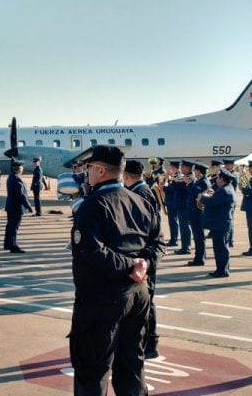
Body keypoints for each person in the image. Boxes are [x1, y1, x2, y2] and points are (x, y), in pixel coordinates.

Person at [69, 145, 153, 395]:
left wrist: (130, 265)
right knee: (131, 363)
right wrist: (143, 263)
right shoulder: (140, 201)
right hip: (138, 293)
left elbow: (92, 250)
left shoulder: (92, 205)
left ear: (102, 170)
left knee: (92, 369)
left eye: (90, 168)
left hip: (102, 297)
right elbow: (157, 242)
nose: (87, 173)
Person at [121, 159, 166, 360]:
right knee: (145, 300)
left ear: (126, 175)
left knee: (146, 301)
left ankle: (150, 343)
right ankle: (148, 342)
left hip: (145, 256)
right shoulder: (144, 190)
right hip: (146, 254)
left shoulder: (139, 194)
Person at [198, 169, 236, 277]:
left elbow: (213, 202)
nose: (217, 180)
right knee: (221, 248)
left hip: (221, 224)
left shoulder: (224, 191)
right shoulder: (226, 188)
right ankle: (222, 269)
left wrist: (202, 198)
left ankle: (222, 271)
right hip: (221, 223)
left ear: (222, 179)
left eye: (218, 178)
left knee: (221, 249)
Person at [4, 160, 33, 253]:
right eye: (21, 167)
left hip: (10, 206)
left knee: (10, 226)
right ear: (19, 169)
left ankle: (8, 244)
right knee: (14, 227)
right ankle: (13, 246)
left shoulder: (11, 177)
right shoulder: (17, 179)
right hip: (16, 207)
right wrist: (28, 206)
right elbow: (21, 195)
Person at [186, 162, 211, 267]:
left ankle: (199, 259)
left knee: (199, 237)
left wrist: (190, 183)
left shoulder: (204, 182)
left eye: (195, 170)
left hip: (198, 213)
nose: (194, 172)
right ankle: (198, 258)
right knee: (197, 237)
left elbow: (195, 193)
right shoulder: (200, 181)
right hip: (195, 212)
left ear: (199, 171)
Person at [163, 160, 180, 247]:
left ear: (175, 168)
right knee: (172, 221)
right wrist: (167, 178)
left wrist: (167, 180)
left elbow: (169, 189)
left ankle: (174, 240)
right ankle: (173, 239)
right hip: (170, 201)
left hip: (174, 202)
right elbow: (165, 187)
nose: (170, 169)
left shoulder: (177, 177)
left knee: (173, 221)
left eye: (171, 168)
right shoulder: (172, 177)